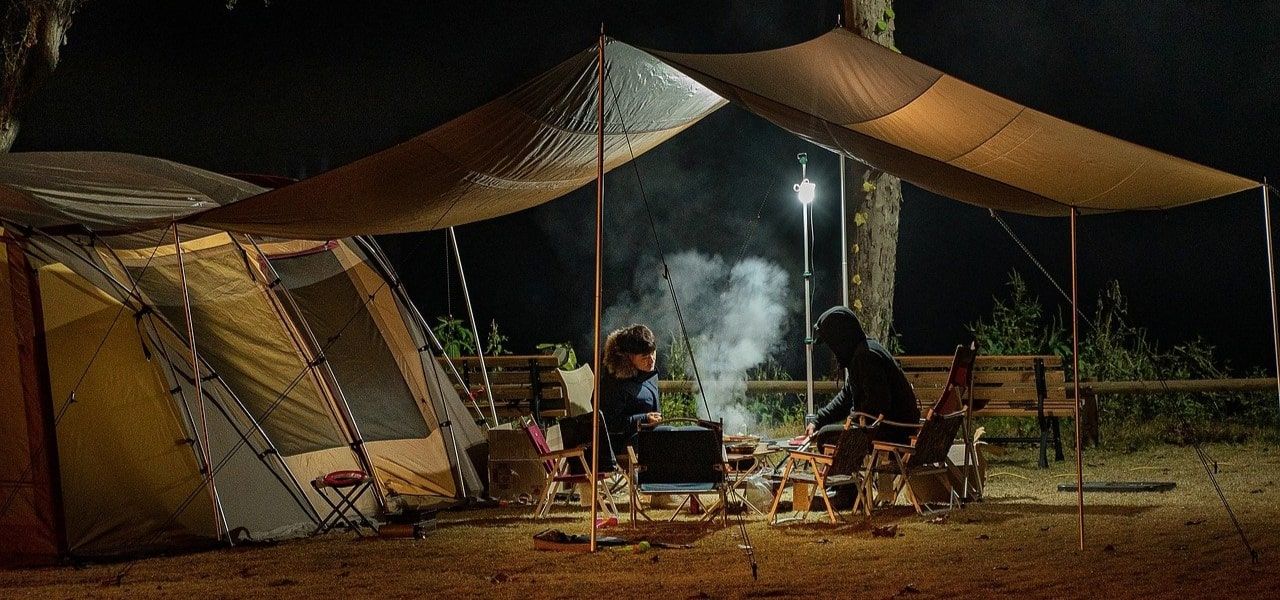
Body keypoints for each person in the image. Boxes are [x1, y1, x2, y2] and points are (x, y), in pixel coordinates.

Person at [803, 306, 920, 445]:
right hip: (888, 426)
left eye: (832, 344)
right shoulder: (861, 352)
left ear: (840, 339)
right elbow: (846, 397)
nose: (833, 351)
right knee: (826, 431)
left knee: (826, 437)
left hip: (895, 430)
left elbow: (877, 404)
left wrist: (851, 423)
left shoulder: (866, 357)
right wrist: (818, 421)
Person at [600, 324, 662, 448]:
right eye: (644, 357)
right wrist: (643, 419)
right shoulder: (615, 383)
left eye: (653, 353)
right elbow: (609, 423)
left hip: (648, 435)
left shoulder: (647, 374)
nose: (651, 361)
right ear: (629, 357)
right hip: (624, 443)